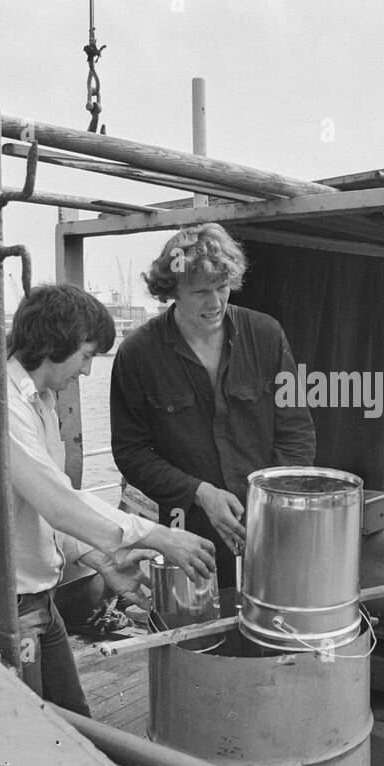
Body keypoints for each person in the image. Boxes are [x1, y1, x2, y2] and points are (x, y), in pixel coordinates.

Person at [0, 284, 215, 716]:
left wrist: (101, 560)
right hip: (1, 604)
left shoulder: (38, 401)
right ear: (54, 343)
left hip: (36, 596)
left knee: (74, 722)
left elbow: (44, 506)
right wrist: (158, 536)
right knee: (36, 735)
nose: (88, 371)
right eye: (86, 355)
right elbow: (58, 502)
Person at [109, 223, 316, 592]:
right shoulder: (137, 354)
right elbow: (131, 452)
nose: (216, 302)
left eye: (222, 288)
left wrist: (269, 503)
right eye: (201, 291)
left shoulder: (266, 334)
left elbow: (297, 430)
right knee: (196, 639)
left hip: (268, 523)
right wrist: (200, 492)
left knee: (272, 631)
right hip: (185, 533)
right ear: (171, 291)